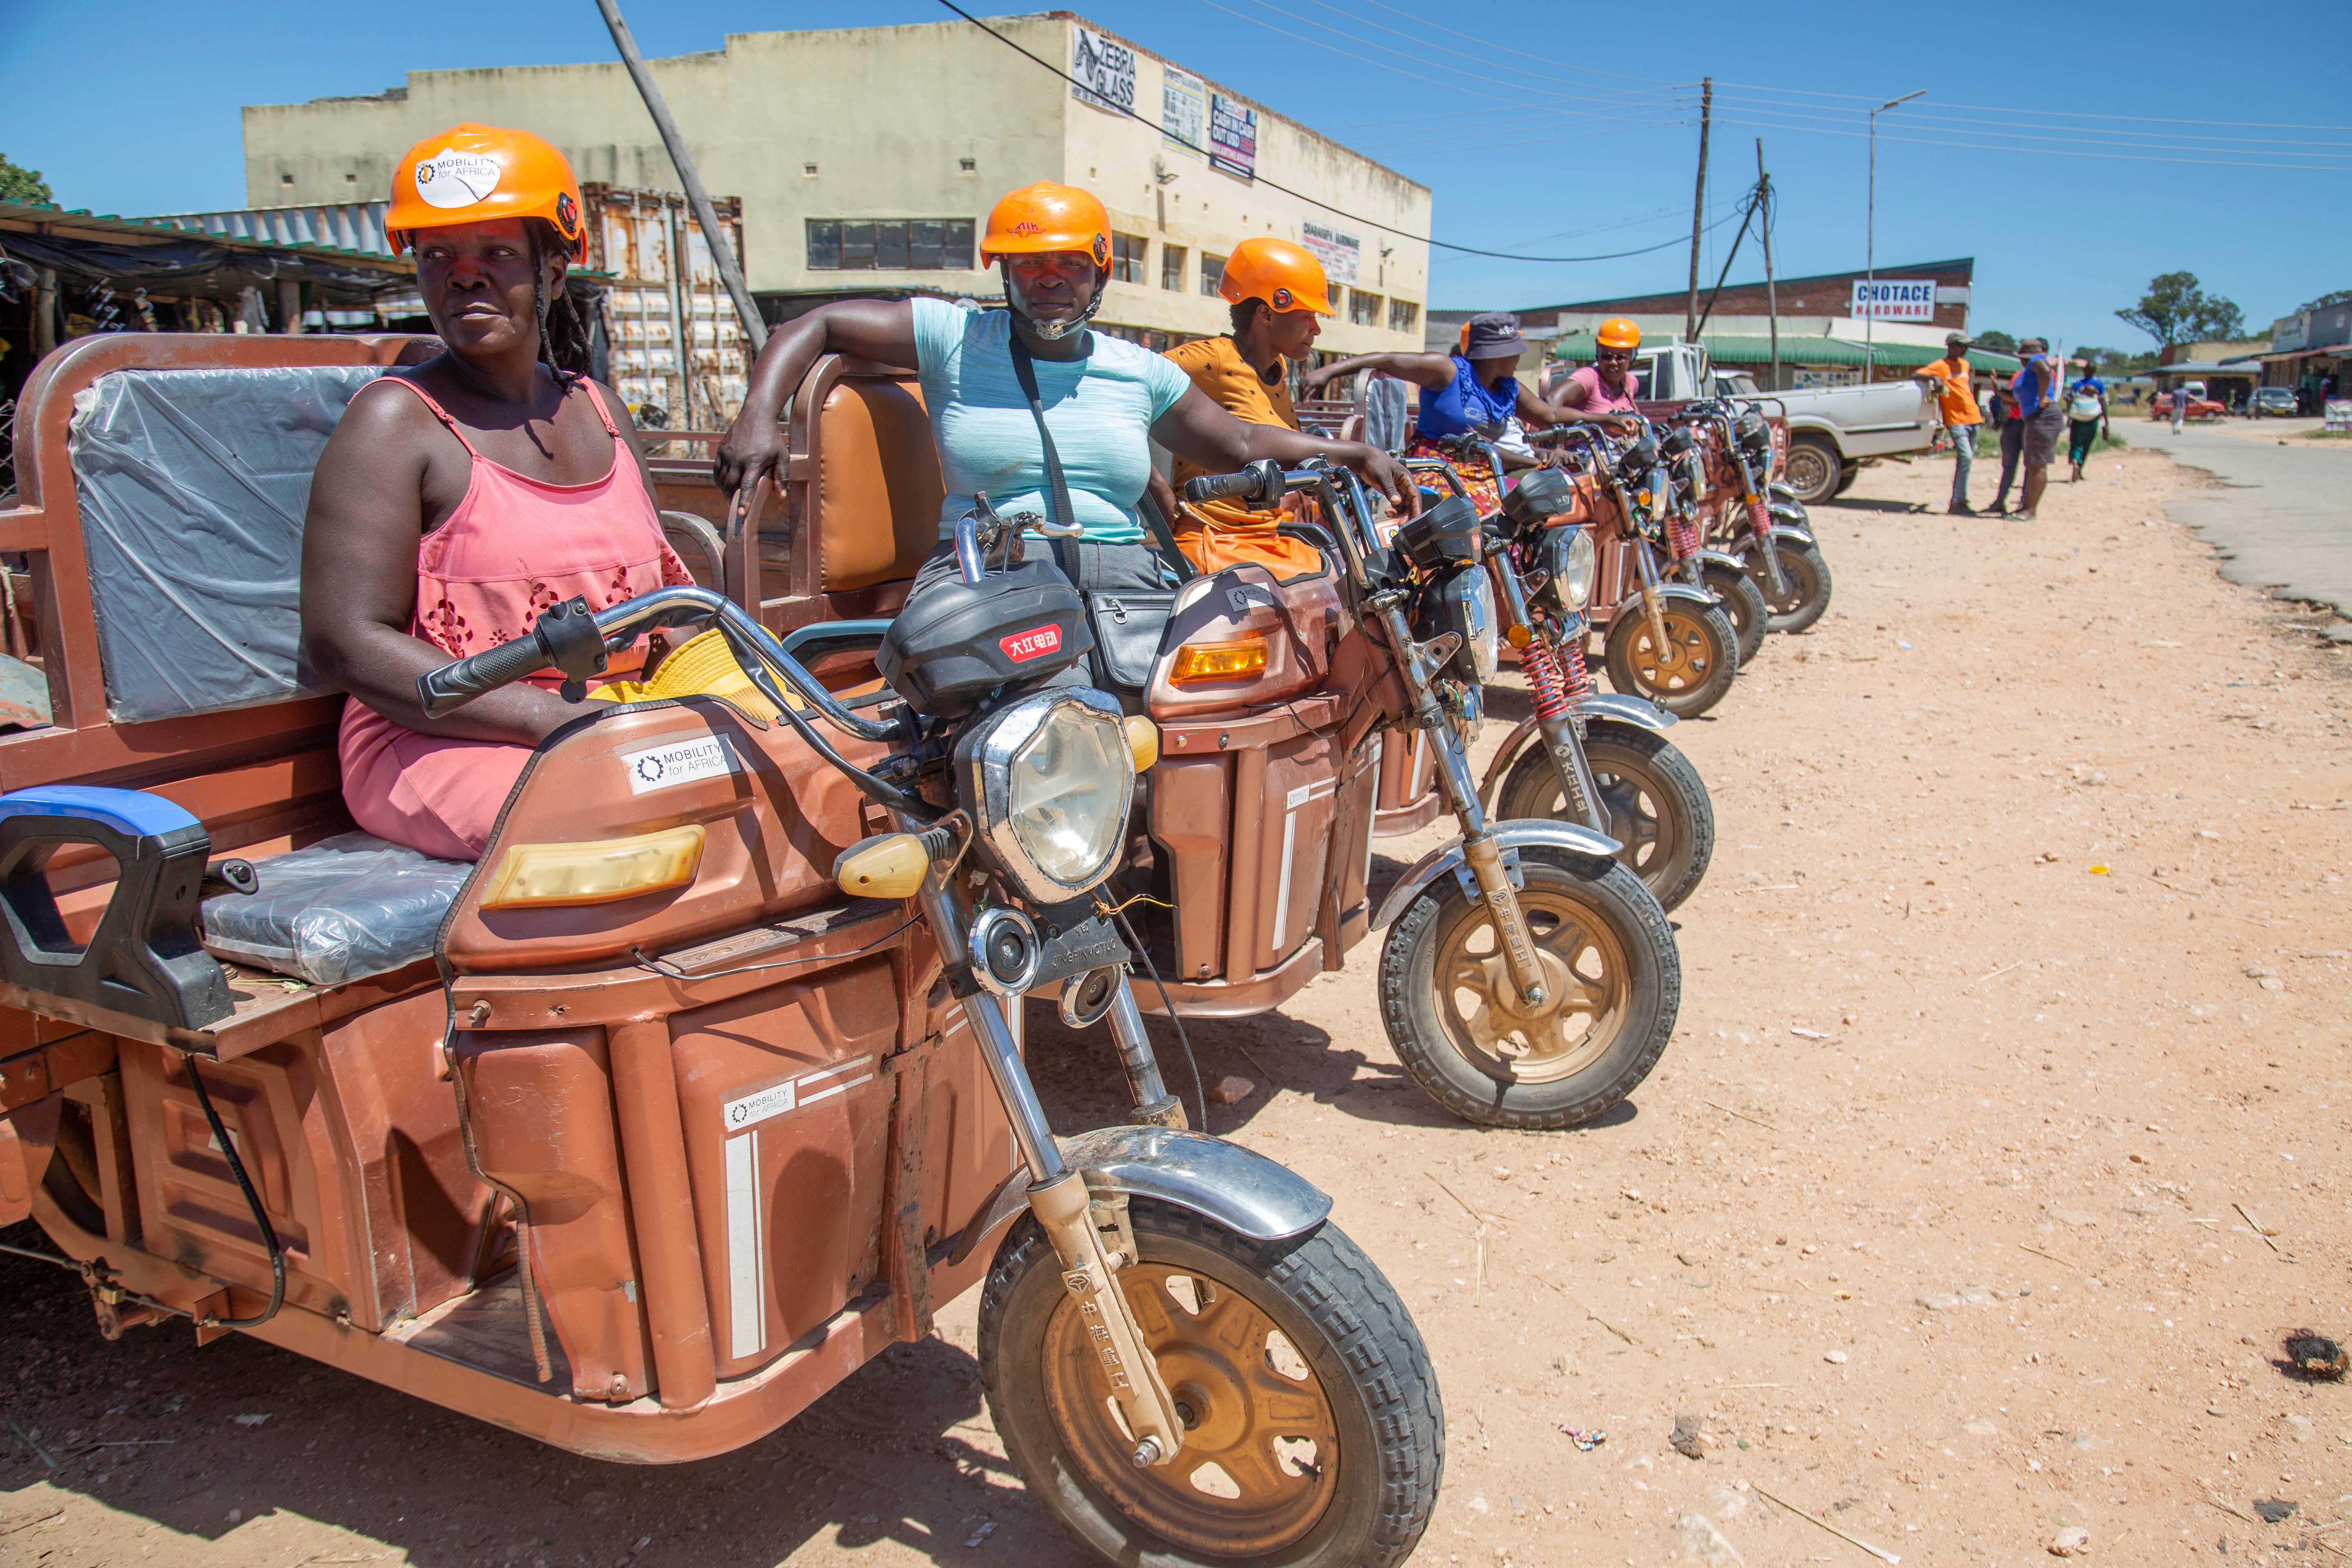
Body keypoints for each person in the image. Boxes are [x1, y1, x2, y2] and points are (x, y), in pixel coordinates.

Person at [713, 182, 1414, 689]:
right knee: (1055, 710)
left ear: (1101, 270)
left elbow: (1238, 443)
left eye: (1071, 263)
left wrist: (1351, 451)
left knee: (1257, 679)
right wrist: (759, 415)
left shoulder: (1137, 370)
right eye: (1031, 264)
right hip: (988, 570)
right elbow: (813, 326)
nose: (1051, 279)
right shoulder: (953, 335)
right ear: (1005, 271)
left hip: (1124, 581)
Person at [301, 124, 697, 861]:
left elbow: (668, 606)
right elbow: (345, 644)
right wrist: (547, 720)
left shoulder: (602, 411)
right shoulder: (394, 423)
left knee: (800, 765)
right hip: (442, 735)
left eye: (498, 253)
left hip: (609, 720)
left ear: (555, 265)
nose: (465, 275)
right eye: (438, 256)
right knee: (614, 818)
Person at [1297, 312, 1624, 511]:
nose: (1519, 359)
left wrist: (1605, 420)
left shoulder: (1508, 387)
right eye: (1515, 352)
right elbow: (1385, 359)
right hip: (1436, 469)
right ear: (1495, 354)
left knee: (1541, 502)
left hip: (1484, 471)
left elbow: (1550, 416)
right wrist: (1328, 372)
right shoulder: (1447, 372)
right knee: (1477, 514)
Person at [1152, 235, 1331, 579]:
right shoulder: (1212, 360)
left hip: (1268, 540)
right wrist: (1151, 480)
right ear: (1265, 314)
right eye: (1307, 316)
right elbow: (1123, 383)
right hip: (1217, 543)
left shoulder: (1277, 372)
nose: (1316, 329)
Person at [1912, 332, 1982, 515]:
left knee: (1967, 460)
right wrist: (1934, 379)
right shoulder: (1940, 366)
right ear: (1951, 346)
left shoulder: (1965, 365)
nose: (1966, 350)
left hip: (1974, 416)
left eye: (1967, 346)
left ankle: (1960, 500)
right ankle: (1958, 502)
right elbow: (1916, 374)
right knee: (1966, 457)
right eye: (1962, 346)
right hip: (1957, 420)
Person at [1993, 336, 2062, 520]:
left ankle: (2030, 511)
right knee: (2033, 465)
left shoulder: (2036, 361)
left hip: (2044, 417)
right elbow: (2017, 399)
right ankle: (2027, 508)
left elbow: (2046, 372)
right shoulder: (2026, 375)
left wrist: (2042, 397)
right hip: (2034, 418)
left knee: (2037, 465)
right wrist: (1997, 389)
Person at [1547, 317, 1651, 428]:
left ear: (1632, 357)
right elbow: (1551, 402)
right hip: (1586, 444)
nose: (1613, 363)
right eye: (1607, 356)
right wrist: (1604, 421)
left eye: (1621, 358)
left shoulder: (1631, 382)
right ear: (1598, 353)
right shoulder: (1589, 377)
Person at [2065, 361, 2108, 482]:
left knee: (2076, 444)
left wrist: (2069, 417)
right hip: (2092, 420)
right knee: (2087, 445)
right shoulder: (2099, 385)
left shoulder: (2076, 385)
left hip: (2077, 419)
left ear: (2084, 372)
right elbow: (2104, 404)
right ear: (2095, 372)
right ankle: (2080, 470)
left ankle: (2074, 461)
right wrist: (2107, 423)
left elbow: (2069, 401)